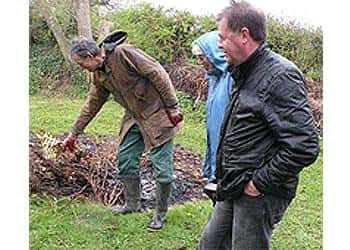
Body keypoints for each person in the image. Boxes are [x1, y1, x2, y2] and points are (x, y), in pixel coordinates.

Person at [198, 1, 319, 249]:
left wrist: (258, 184)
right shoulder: (243, 72)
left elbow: (304, 145)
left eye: (222, 37)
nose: (218, 45)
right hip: (234, 183)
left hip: (258, 193)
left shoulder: (280, 76)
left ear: (244, 35)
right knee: (210, 244)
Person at [62, 30, 184, 231]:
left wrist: (172, 106)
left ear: (90, 57)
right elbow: (93, 103)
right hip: (134, 118)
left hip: (158, 115)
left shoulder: (124, 53)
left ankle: (160, 213)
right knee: (125, 157)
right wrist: (74, 132)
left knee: (162, 168)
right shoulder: (99, 74)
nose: (81, 68)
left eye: (81, 64)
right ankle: (132, 204)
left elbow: (157, 72)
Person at [191, 31, 233, 182]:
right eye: (197, 58)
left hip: (230, 147)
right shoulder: (214, 79)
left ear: (213, 53)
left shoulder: (231, 77)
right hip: (216, 142)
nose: (200, 62)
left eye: (202, 57)